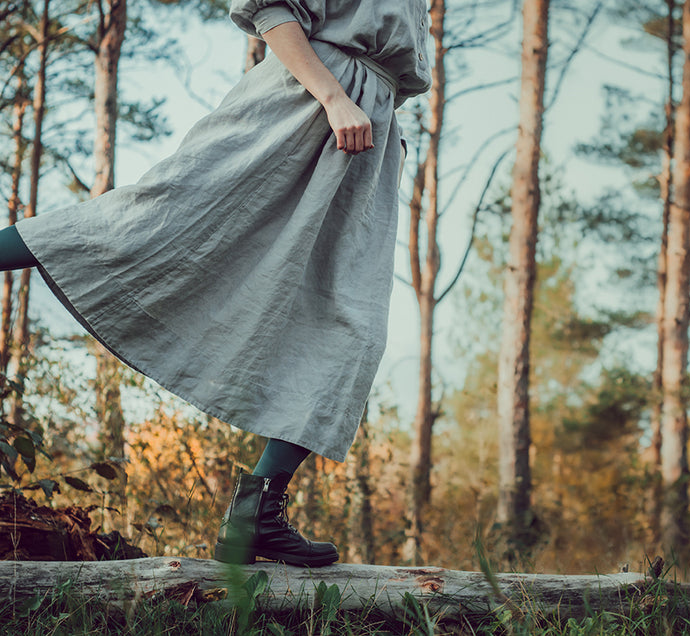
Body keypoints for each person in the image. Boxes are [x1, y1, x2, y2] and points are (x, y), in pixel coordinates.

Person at [0, 0, 431, 568]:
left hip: (362, 147)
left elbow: (398, 70)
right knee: (148, 225)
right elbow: (272, 10)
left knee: (352, 329)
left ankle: (256, 517)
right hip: (300, 108)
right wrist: (332, 97)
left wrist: (380, 119)